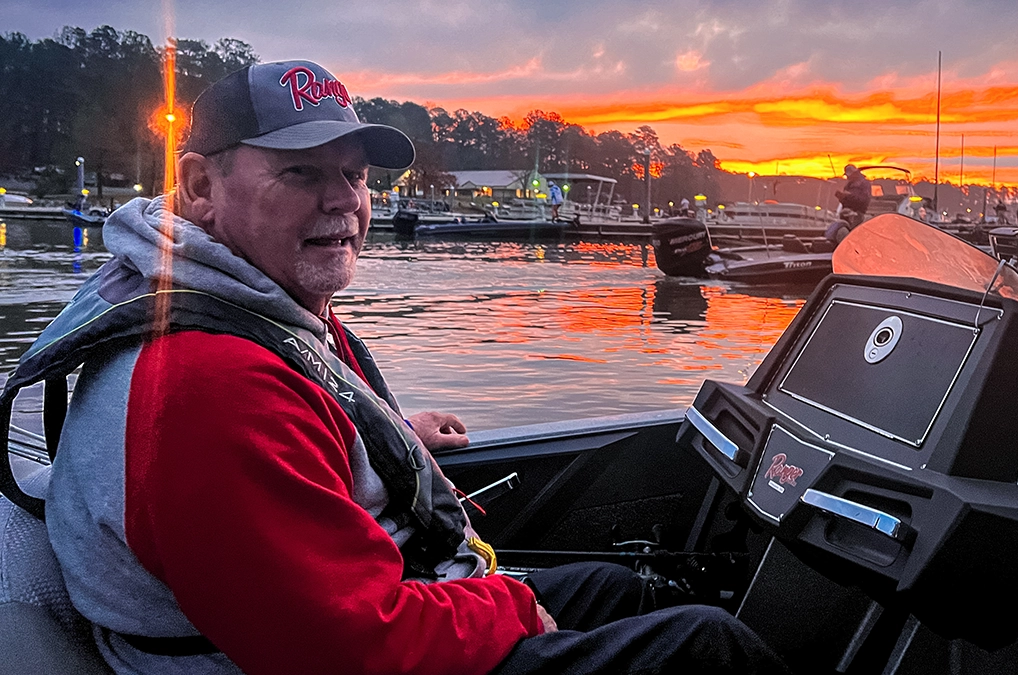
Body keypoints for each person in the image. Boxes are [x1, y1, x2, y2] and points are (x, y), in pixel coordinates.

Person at [9, 60, 789, 675]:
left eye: (354, 174)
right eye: (301, 172)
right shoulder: (210, 383)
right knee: (703, 646)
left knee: (626, 591)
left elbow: (296, 423)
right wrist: (511, 611)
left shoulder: (243, 292)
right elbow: (347, 649)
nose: (344, 200)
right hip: (319, 654)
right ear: (202, 186)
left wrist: (382, 434)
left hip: (350, 611)